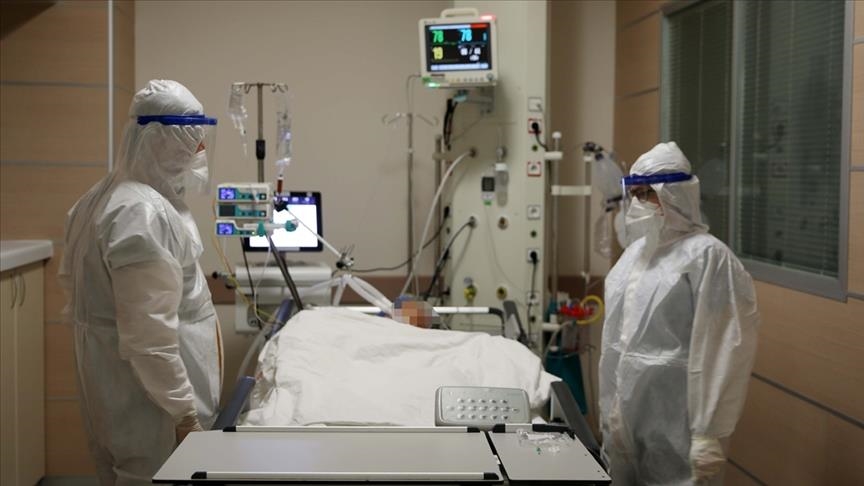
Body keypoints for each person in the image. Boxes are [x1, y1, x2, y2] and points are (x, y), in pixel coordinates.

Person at [59, 80, 223, 485]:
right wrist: (184, 415)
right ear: (160, 139)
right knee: (152, 474)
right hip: (153, 402)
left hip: (117, 382)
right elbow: (150, 337)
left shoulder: (100, 198)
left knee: (126, 471)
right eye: (193, 138)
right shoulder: (141, 213)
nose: (200, 149)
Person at [598, 142, 760, 485]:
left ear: (675, 194)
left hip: (677, 426)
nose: (640, 204)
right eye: (635, 194)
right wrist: (611, 416)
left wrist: (708, 432)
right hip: (625, 420)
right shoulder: (634, 256)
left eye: (648, 193)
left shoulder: (707, 257)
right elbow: (616, 345)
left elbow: (721, 349)